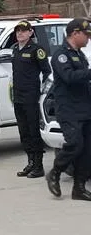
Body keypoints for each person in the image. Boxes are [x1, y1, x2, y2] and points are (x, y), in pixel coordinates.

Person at [46, 18, 91, 200]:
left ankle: (78, 188)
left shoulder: (80, 55)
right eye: (86, 35)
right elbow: (70, 77)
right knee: (75, 144)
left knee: (87, 150)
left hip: (85, 109)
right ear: (75, 33)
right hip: (68, 109)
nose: (88, 39)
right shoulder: (60, 55)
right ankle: (55, 172)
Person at [11, 20, 52, 178]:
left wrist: (42, 91)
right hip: (18, 96)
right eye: (18, 31)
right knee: (23, 131)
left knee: (33, 130)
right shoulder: (15, 49)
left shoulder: (36, 50)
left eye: (23, 30)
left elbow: (47, 72)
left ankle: (39, 165)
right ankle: (30, 162)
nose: (20, 33)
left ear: (30, 33)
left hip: (31, 95)